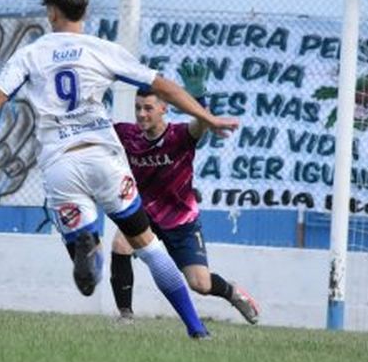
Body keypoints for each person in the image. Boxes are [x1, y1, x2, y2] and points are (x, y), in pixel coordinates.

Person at [0, 0, 239, 339]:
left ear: (52, 12)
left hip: (60, 164)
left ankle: (89, 244)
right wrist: (207, 117)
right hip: (105, 159)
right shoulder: (100, 49)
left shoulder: (30, 54)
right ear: (84, 10)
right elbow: (162, 85)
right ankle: (196, 329)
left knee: (86, 271)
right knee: (148, 247)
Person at [108, 88, 259, 324]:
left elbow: (200, 125)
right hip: (144, 214)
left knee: (201, 283)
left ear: (163, 109)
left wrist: (199, 101)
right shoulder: (127, 134)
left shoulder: (179, 135)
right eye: (138, 107)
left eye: (148, 108)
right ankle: (125, 315)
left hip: (180, 220)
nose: (141, 114)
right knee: (120, 244)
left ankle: (232, 292)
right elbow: (96, 128)